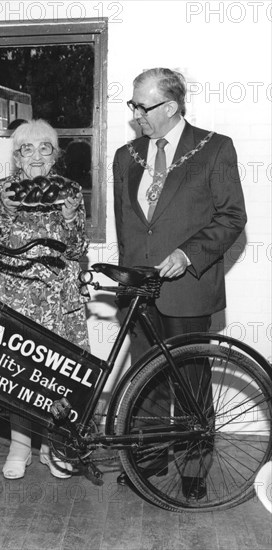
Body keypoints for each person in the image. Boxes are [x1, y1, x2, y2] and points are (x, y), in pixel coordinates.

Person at [112, 68, 247, 497]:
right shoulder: (125, 155)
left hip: (188, 288)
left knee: (190, 381)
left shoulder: (214, 148)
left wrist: (188, 254)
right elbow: (129, 226)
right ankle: (148, 458)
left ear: (170, 107)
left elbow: (232, 217)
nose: (136, 115)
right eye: (133, 105)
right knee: (145, 379)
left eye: (142, 106)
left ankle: (194, 466)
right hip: (140, 291)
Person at [0, 119, 89, 479]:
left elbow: (78, 249)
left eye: (45, 147)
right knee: (17, 373)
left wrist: (71, 217)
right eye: (27, 149)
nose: (37, 156)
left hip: (58, 298)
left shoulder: (70, 190)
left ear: (55, 154)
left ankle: (52, 445)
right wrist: (7, 212)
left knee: (56, 374)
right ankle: (19, 444)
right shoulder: (1, 191)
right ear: (16, 156)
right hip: (15, 294)